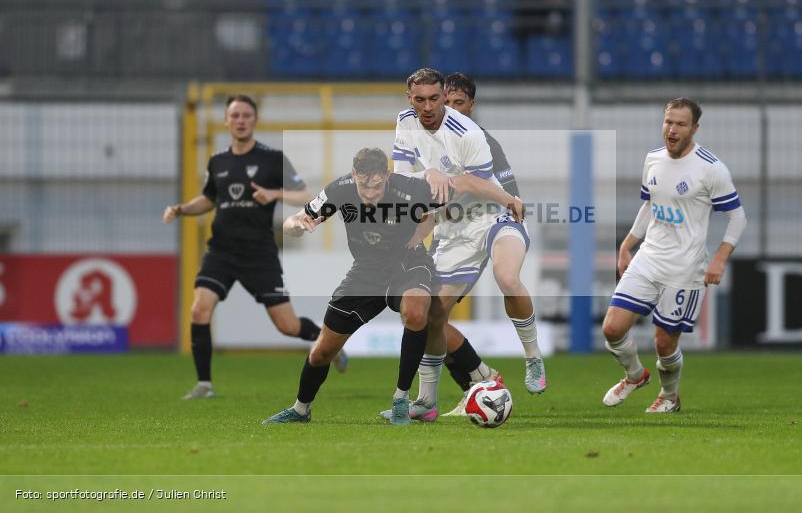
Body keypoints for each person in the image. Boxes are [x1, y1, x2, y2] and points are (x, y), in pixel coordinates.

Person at [260, 147, 519, 425]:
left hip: (409, 263)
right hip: (366, 273)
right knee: (323, 349)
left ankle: (401, 398)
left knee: (417, 312)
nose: (369, 193)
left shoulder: (412, 189)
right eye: (363, 185)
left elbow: (467, 184)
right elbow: (293, 221)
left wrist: (508, 199)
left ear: (387, 175)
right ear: (353, 175)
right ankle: (301, 409)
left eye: (376, 185)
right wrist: (295, 226)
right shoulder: (339, 190)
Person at [163, 94, 347, 400]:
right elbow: (209, 199)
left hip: (259, 252)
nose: (240, 120)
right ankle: (204, 385)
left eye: (246, 115)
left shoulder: (272, 159)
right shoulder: (218, 161)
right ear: (226, 120)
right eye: (234, 115)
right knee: (199, 310)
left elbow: (304, 195)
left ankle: (327, 342)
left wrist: (274, 193)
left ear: (255, 120)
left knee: (287, 326)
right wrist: (181, 208)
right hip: (221, 251)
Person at [389, 68, 540, 422]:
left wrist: (506, 200)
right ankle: (446, 393)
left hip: (494, 216)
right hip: (453, 225)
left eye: (447, 100)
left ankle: (532, 359)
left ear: (467, 105)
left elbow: (478, 185)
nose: (433, 107)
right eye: (421, 100)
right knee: (429, 314)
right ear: (410, 100)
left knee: (507, 277)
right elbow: (404, 177)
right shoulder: (407, 123)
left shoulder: (473, 136)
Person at [601, 97, 747, 413]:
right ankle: (635, 376)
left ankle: (669, 397)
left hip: (685, 267)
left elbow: (738, 217)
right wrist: (627, 244)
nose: (672, 129)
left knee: (664, 343)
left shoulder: (711, 168)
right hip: (649, 257)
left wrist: (719, 257)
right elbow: (651, 204)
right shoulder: (652, 159)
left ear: (694, 129)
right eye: (668, 122)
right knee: (612, 329)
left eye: (680, 124)